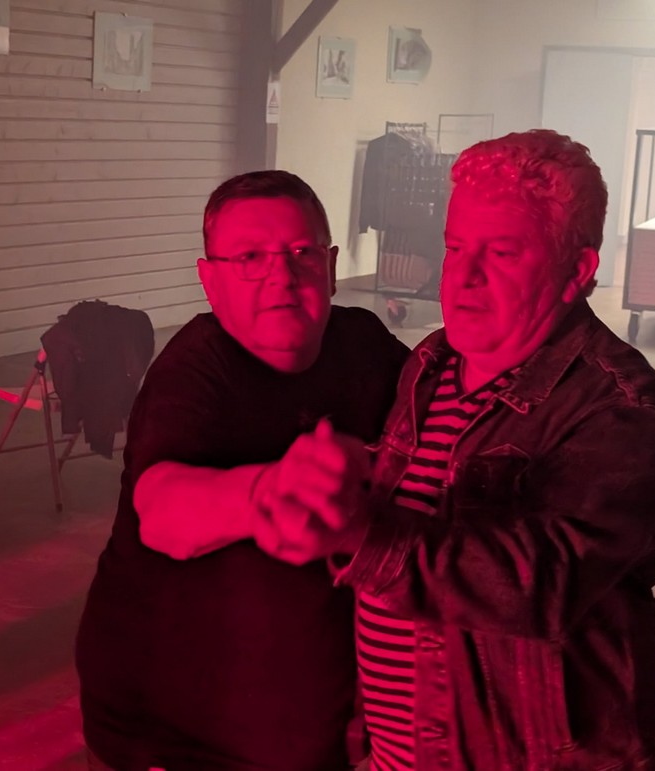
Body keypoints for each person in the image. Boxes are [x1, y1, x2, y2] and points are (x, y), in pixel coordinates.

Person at [260, 130, 655, 769]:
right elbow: (430, 511)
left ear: (576, 272)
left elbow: (541, 580)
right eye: (455, 247)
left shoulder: (624, 408)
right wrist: (349, 477)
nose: (464, 275)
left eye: (503, 253)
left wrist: (360, 533)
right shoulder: (431, 364)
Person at [75, 170, 410, 771]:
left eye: (302, 253)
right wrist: (267, 491)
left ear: (331, 266)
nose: (282, 277)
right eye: (250, 258)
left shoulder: (362, 342)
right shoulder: (194, 372)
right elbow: (163, 510)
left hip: (305, 728)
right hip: (179, 735)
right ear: (210, 280)